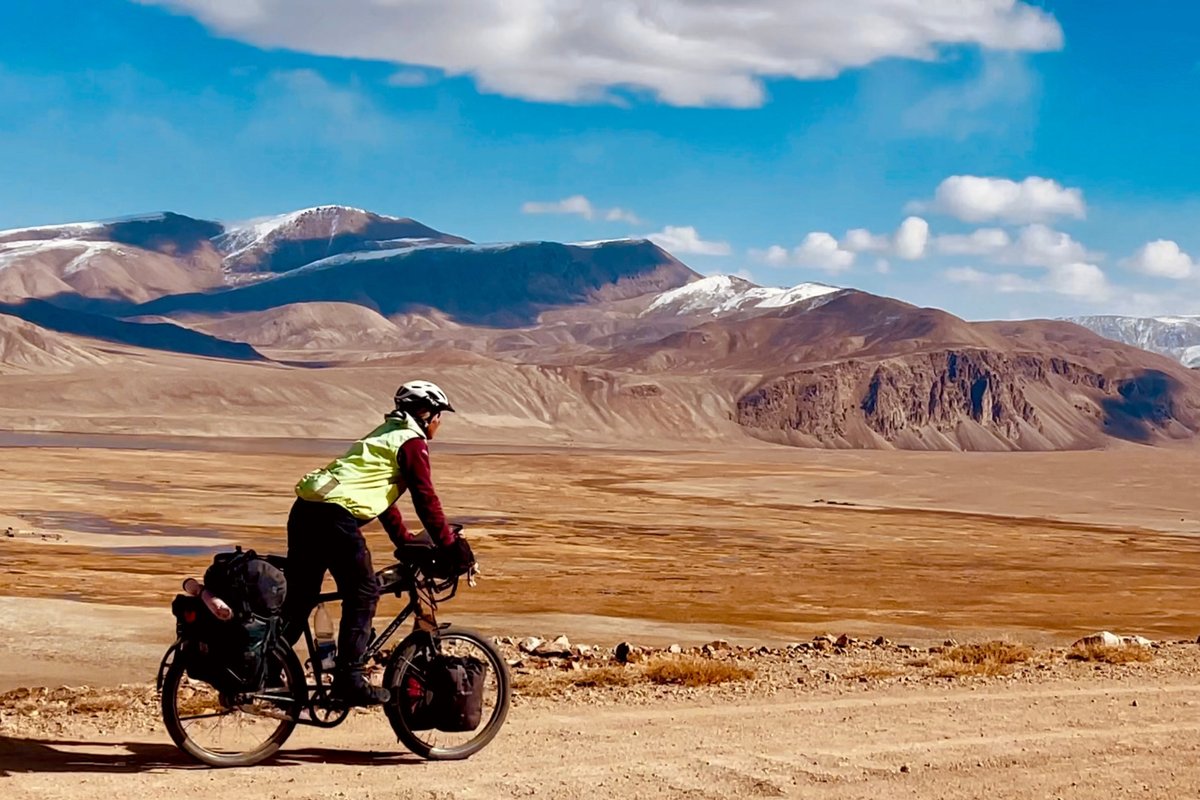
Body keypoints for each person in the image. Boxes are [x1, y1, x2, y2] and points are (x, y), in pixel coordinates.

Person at [284, 379, 475, 706]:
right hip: (334, 519)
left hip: (305, 513)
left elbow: (378, 496)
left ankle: (263, 669)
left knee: (300, 598)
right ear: (425, 414)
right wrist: (450, 546)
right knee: (364, 592)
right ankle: (350, 679)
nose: (440, 423)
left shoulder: (384, 434)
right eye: (439, 415)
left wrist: (402, 540)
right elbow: (425, 499)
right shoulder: (412, 443)